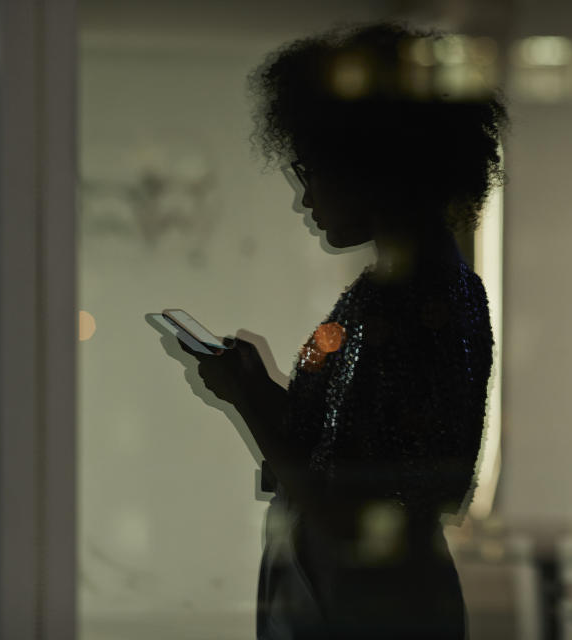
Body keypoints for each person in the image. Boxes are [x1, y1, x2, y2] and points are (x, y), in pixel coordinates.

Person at [175, 21, 506, 639]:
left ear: (370, 165)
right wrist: (261, 389)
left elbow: (355, 512)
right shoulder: (391, 295)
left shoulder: (424, 303)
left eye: (310, 169)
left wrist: (250, 399)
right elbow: (336, 456)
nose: (304, 196)